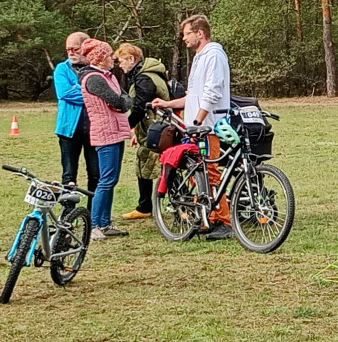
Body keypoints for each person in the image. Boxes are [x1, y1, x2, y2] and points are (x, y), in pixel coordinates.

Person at [151, 15, 232, 240]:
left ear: (200, 33)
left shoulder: (213, 55)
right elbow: (193, 96)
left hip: (208, 127)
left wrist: (197, 121)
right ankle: (211, 218)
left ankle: (224, 220)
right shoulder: (199, 57)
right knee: (201, 173)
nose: (183, 38)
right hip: (197, 128)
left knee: (212, 172)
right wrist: (168, 103)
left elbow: (212, 91)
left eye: (187, 33)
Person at [76, 38, 133, 241]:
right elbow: (119, 100)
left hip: (116, 131)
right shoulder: (94, 78)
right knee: (106, 180)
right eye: (109, 55)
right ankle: (95, 224)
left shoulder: (108, 76)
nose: (112, 59)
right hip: (105, 133)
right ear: (99, 59)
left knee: (112, 179)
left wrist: (123, 102)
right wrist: (122, 102)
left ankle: (105, 222)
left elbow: (125, 99)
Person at [115, 43, 170, 220]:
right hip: (156, 127)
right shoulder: (151, 74)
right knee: (151, 164)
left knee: (146, 163)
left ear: (131, 59)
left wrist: (128, 125)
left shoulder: (143, 78)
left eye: (121, 61)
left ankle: (145, 206)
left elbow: (141, 107)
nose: (120, 65)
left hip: (155, 130)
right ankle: (146, 204)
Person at [53, 32, 100, 195]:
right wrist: (92, 93)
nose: (71, 52)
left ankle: (93, 216)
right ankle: (67, 216)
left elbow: (106, 92)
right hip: (68, 131)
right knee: (68, 176)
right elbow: (65, 93)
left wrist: (82, 90)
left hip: (94, 131)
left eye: (75, 48)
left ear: (86, 47)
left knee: (96, 175)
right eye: (68, 49)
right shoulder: (61, 69)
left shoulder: (96, 68)